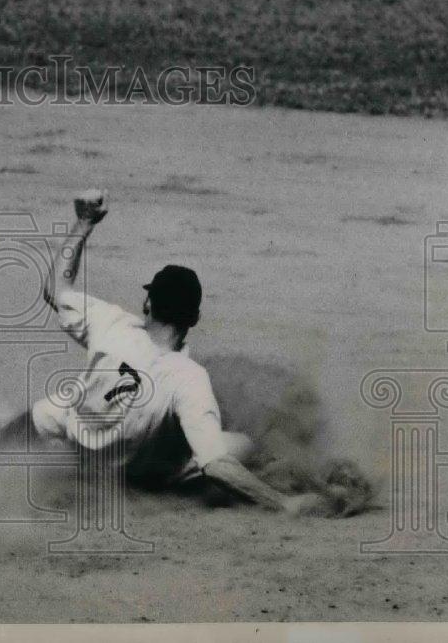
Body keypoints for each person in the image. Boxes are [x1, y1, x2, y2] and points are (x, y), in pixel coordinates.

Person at [27, 188, 324, 515]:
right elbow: (216, 466)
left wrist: (84, 222)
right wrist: (283, 502)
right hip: (137, 476)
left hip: (80, 455)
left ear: (147, 304)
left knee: (49, 409)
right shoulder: (190, 378)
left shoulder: (110, 323)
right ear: (194, 318)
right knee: (238, 444)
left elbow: (55, 289)